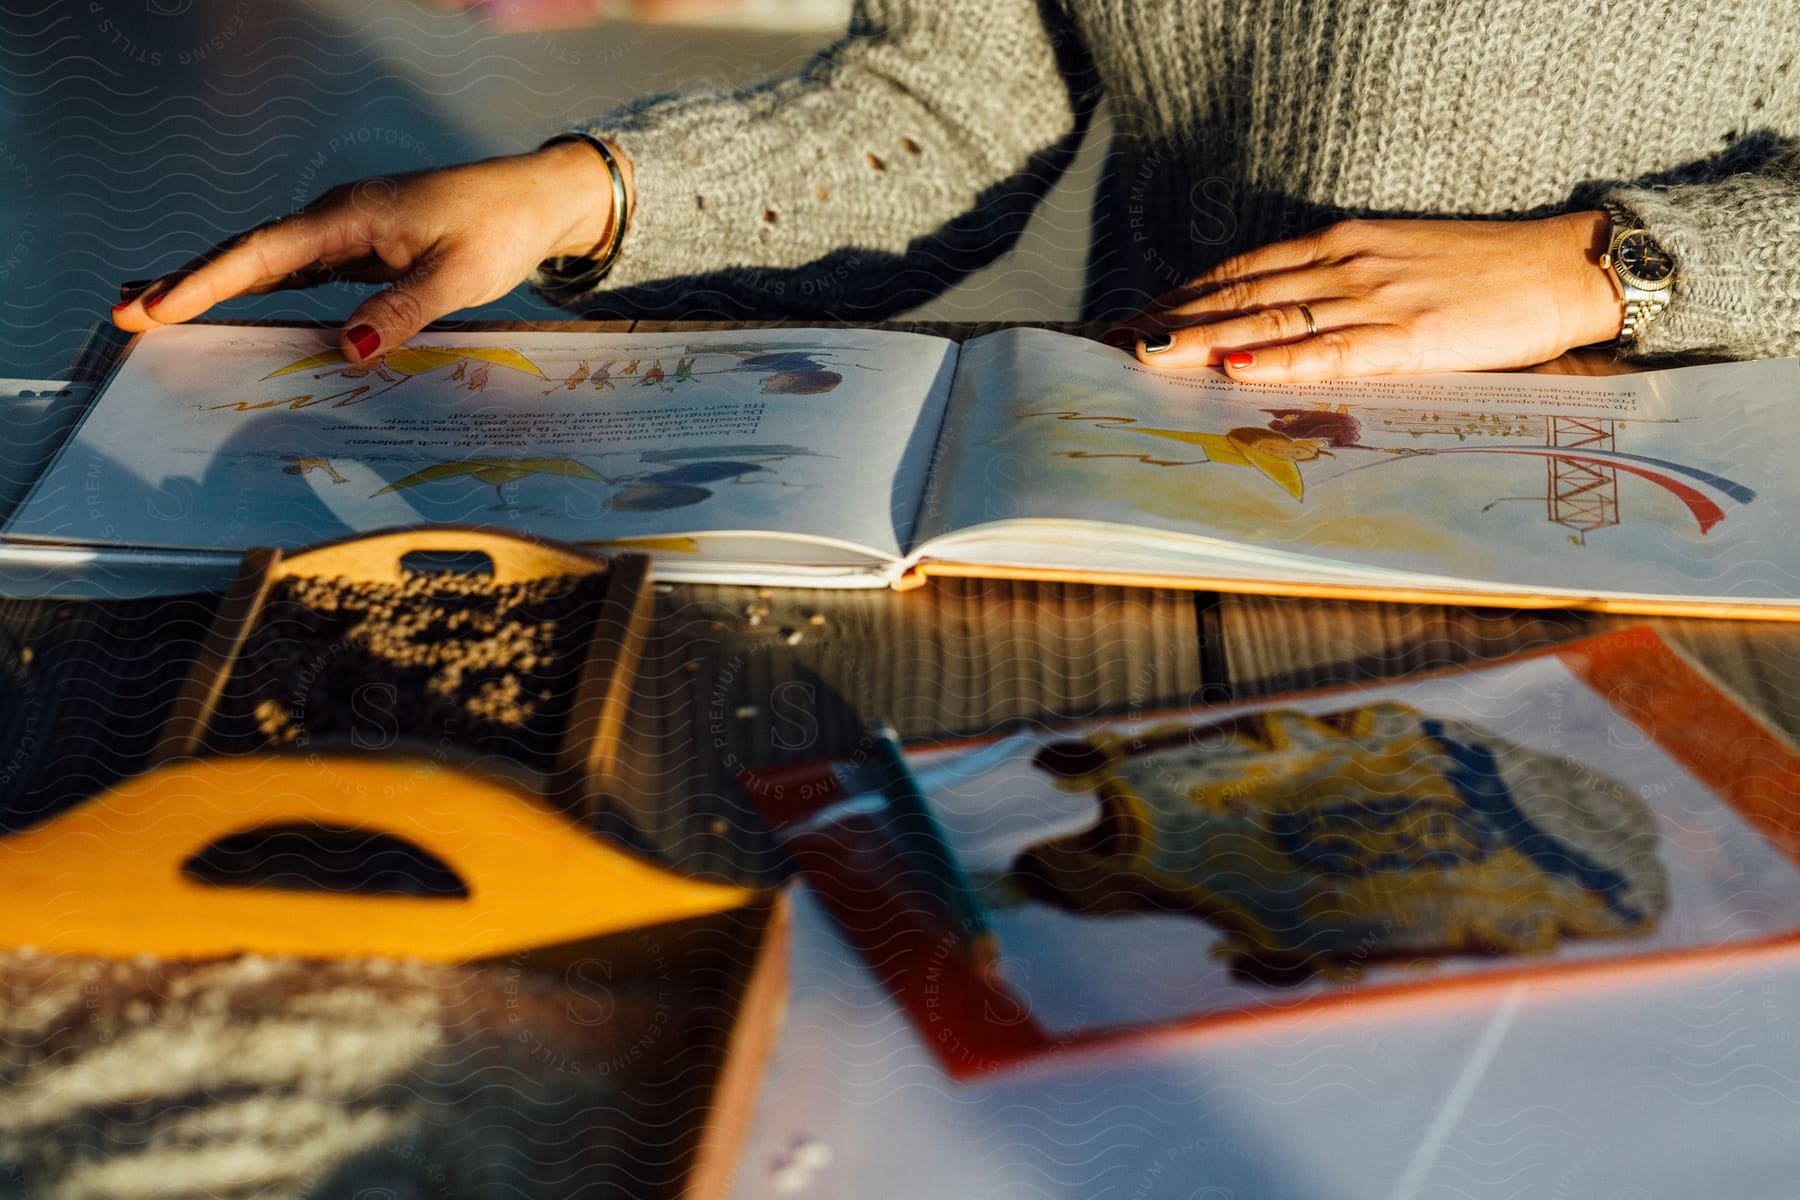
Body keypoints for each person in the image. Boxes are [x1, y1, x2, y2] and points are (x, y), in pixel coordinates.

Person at [110, 1, 1799, 383]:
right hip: (1168, 453)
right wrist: (581, 196)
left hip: (1686, 489)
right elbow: (951, 104)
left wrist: (1614, 269)